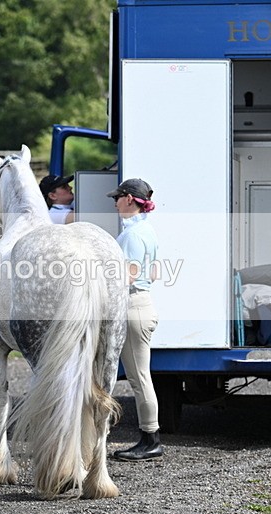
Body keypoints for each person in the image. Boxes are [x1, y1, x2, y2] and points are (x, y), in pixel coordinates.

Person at [107, 178, 163, 461]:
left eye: (117, 198)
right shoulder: (147, 231)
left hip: (132, 307)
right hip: (143, 303)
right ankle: (149, 437)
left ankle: (150, 439)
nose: (115, 203)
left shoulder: (130, 236)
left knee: (139, 377)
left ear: (129, 199)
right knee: (140, 376)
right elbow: (152, 274)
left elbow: (127, 276)